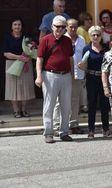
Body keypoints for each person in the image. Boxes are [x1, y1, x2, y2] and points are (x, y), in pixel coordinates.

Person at [35, 15, 74, 143]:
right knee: (49, 105)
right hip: (50, 75)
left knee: (66, 106)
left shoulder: (67, 41)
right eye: (57, 26)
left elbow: (70, 58)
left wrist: (72, 74)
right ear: (52, 27)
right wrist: (39, 76)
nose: (60, 29)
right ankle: (48, 132)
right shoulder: (45, 40)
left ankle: (64, 132)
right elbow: (39, 59)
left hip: (66, 75)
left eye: (63, 27)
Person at [80, 26, 110, 139]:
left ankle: (106, 129)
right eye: (93, 35)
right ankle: (91, 130)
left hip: (104, 79)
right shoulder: (86, 49)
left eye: (98, 35)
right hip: (91, 78)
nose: (96, 37)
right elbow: (84, 64)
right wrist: (81, 66)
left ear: (101, 36)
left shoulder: (106, 48)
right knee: (91, 104)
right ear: (90, 36)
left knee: (104, 105)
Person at [57, 18, 86, 134]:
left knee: (75, 100)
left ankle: (73, 124)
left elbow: (84, 55)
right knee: (60, 101)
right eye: (70, 26)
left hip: (78, 73)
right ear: (66, 27)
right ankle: (57, 125)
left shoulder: (82, 40)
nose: (73, 29)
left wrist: (84, 64)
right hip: (64, 73)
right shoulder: (62, 39)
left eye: (75, 27)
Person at [3, 18, 35, 118]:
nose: (17, 26)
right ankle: (16, 111)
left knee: (25, 87)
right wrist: (18, 57)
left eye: (19, 24)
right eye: (15, 24)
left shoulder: (26, 38)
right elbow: (5, 53)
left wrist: (29, 55)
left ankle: (24, 110)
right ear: (11, 26)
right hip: (11, 64)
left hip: (25, 64)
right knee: (13, 88)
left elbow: (32, 51)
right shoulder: (7, 37)